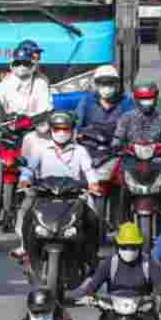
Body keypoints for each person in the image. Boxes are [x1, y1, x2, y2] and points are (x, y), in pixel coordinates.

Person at [12, 110, 103, 262]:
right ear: (52, 130)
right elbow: (29, 168)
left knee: (93, 213)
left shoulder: (80, 150)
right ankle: (24, 245)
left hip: (73, 193)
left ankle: (91, 251)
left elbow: (88, 170)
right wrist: (24, 180)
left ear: (72, 130)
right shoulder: (41, 149)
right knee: (25, 209)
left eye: (65, 129)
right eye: (57, 129)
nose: (61, 133)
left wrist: (93, 184)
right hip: (44, 192)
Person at [0, 40, 55, 119]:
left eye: (38, 54)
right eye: (35, 53)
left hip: (35, 124)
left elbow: (46, 107)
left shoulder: (41, 80)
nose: (38, 57)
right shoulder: (7, 82)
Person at [74, 63, 129, 141]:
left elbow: (134, 124)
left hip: (117, 145)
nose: (107, 88)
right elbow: (76, 125)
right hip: (92, 145)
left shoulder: (125, 100)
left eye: (110, 83)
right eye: (102, 84)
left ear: (116, 85)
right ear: (96, 85)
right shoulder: (87, 101)